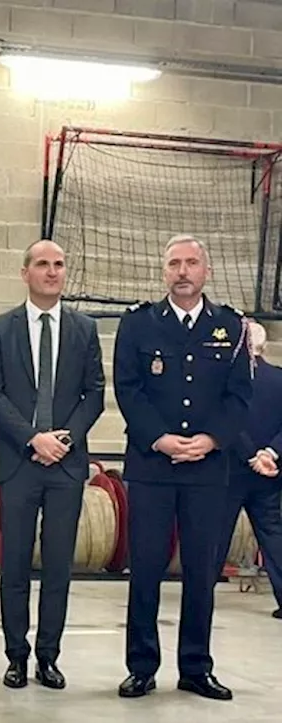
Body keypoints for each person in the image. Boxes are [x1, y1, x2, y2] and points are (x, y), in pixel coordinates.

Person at [112, 234, 251, 701]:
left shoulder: (231, 327)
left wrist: (211, 440)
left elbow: (238, 396)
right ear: (164, 271)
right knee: (146, 568)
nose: (183, 271)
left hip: (208, 471)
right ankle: (142, 666)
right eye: (174, 263)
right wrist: (161, 439)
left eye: (192, 263)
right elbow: (128, 390)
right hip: (152, 466)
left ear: (206, 271)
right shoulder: (139, 325)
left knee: (201, 570)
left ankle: (196, 666)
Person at [0, 240, 105, 689]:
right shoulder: (0, 328)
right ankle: (16, 655)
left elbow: (95, 393)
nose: (52, 272)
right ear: (25, 272)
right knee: (14, 566)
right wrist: (33, 438)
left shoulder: (84, 328)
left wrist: (63, 440)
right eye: (42, 264)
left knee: (57, 568)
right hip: (19, 463)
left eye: (59, 265)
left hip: (67, 467)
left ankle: (48, 656)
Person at [217, 320, 282, 618]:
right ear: (264, 348)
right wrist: (270, 453)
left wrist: (250, 454)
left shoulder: (227, 382)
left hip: (231, 469)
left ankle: (202, 593)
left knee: (216, 534)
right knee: (272, 534)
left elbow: (230, 422)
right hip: (269, 474)